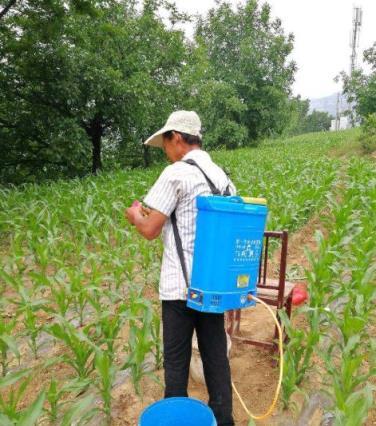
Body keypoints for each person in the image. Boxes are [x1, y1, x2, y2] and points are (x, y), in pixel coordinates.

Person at [125, 110, 235, 426]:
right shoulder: (221, 176)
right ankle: (223, 420)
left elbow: (150, 230)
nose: (166, 154)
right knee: (216, 359)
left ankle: (176, 420)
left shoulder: (176, 174)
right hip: (212, 285)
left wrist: (135, 215)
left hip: (179, 290)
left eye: (165, 146)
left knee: (176, 363)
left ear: (176, 138)